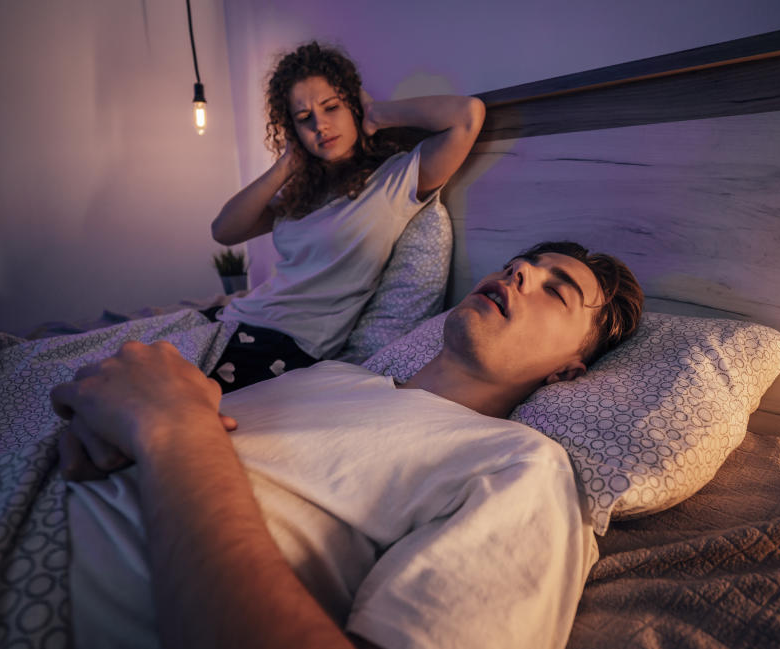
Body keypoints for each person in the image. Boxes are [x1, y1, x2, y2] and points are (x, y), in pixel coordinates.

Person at [53, 241, 644, 649]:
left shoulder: (523, 467)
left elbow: (177, 435)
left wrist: (173, 431)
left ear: (570, 369)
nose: (517, 272)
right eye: (522, 263)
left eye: (555, 290)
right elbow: (157, 423)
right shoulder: (335, 376)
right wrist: (113, 413)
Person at [205, 41, 485, 392]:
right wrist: (289, 161)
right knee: (125, 361)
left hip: (287, 342)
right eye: (304, 118)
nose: (320, 125)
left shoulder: (393, 181)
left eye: (332, 107)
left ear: (352, 104)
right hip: (233, 319)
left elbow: (468, 116)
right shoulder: (303, 193)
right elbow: (224, 230)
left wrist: (377, 115)